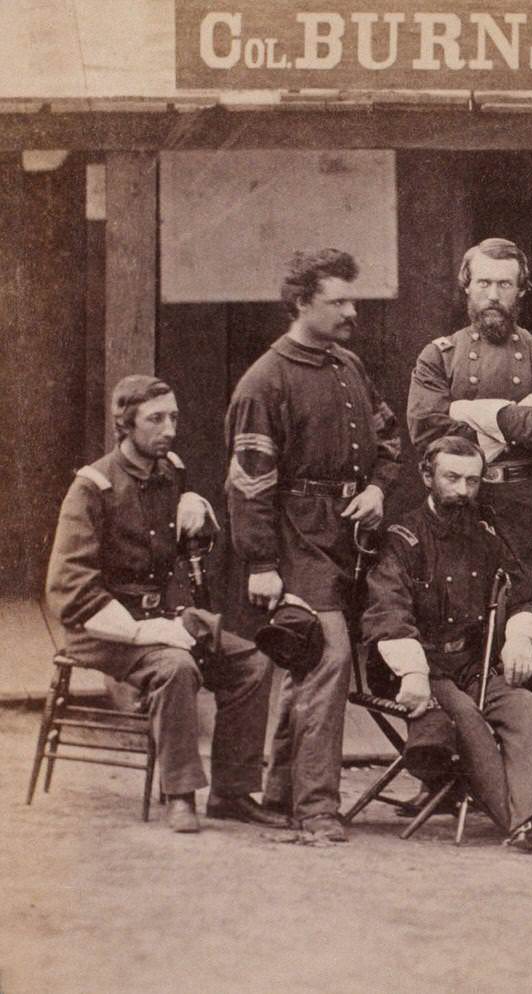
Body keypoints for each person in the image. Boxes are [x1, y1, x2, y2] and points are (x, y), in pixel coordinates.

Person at [47, 375, 281, 833]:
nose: (169, 428)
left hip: (160, 617)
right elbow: (70, 585)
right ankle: (180, 795)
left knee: (252, 662)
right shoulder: (93, 487)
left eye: (173, 416)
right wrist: (141, 631)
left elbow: (181, 551)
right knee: (177, 667)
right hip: (100, 627)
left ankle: (231, 792)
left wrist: (197, 515)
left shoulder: (170, 471)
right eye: (155, 419)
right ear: (125, 424)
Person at [225, 249, 403, 841]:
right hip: (294, 539)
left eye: (354, 299)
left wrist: (378, 489)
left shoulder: (348, 364)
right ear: (302, 303)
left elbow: (389, 437)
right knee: (329, 661)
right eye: (339, 301)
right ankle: (318, 810)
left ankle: (279, 793)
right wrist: (261, 563)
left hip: (350, 538)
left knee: (305, 667)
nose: (353, 311)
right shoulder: (264, 381)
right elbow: (249, 481)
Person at [407, 237, 532, 791]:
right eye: (483, 282)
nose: (493, 295)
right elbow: (428, 430)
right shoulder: (438, 356)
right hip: (463, 506)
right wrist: (517, 417)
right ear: (466, 287)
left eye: (504, 284)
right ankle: (451, 782)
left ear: (521, 291)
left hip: (529, 512)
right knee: (456, 634)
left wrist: (478, 411)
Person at [361, 435, 532, 851]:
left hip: (471, 664)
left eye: (472, 481)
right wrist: (412, 670)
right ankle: (522, 824)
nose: (462, 490)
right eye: (452, 478)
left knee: (522, 703)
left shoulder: (486, 534)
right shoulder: (401, 538)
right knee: (466, 714)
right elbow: (387, 612)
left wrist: (519, 637)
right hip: (417, 668)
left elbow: (524, 594)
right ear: (427, 475)